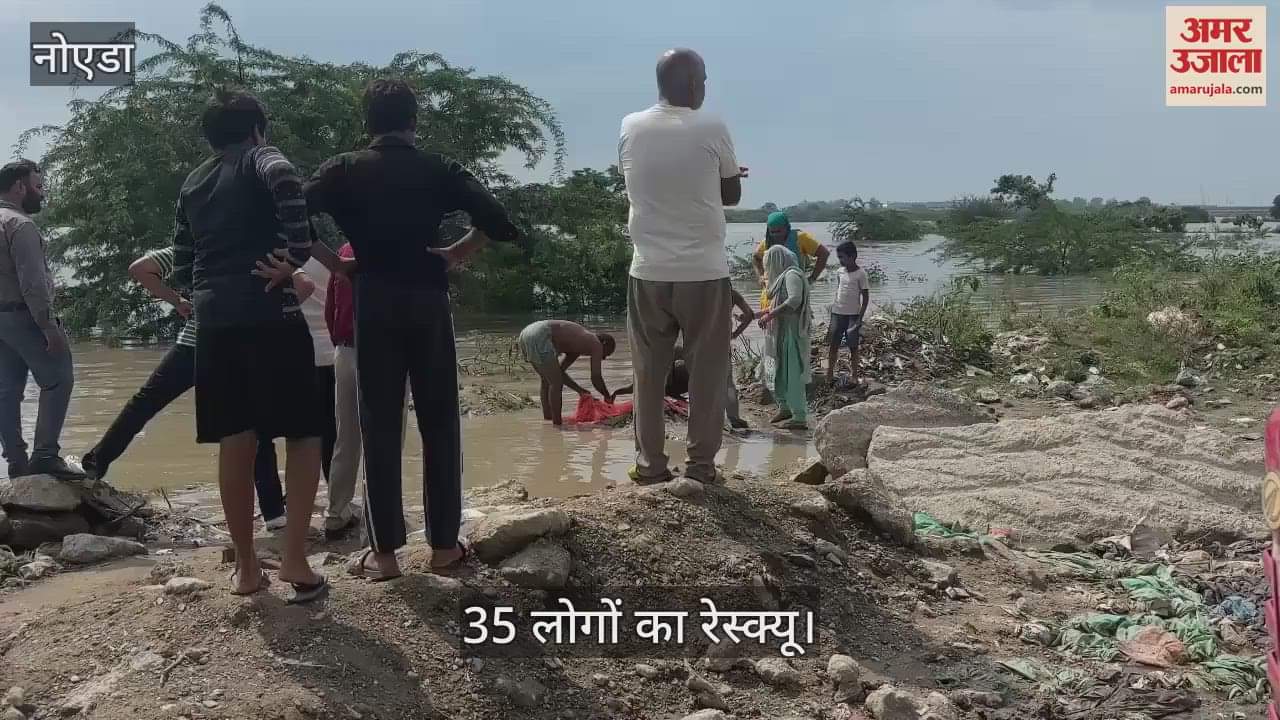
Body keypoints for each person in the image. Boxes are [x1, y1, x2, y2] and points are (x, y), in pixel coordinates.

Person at [287, 78, 522, 582]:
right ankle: (442, 547)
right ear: (414, 121)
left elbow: (288, 218)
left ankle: (386, 554)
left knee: (379, 423)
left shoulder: (344, 169)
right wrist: (456, 253)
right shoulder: (439, 169)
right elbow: (500, 223)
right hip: (429, 300)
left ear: (368, 123)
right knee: (439, 422)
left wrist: (336, 263)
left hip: (373, 300)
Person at [172, 90, 327, 602]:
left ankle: (245, 568)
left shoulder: (193, 181)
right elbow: (286, 179)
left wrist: (202, 294)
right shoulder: (262, 157)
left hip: (216, 322)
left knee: (236, 440)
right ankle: (295, 560)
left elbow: (181, 256)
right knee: (304, 434)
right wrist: (297, 257)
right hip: (271, 314)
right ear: (258, 128)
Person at [618, 48, 746, 485]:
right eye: (705, 80)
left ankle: (650, 466)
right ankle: (700, 468)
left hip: (647, 270)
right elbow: (730, 196)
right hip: (704, 271)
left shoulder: (630, 127)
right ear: (693, 84)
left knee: (647, 374)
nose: (706, 88)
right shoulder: (712, 125)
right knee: (707, 374)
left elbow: (648, 181)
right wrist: (723, 175)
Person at [0, 160, 83, 480]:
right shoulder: (20, 225)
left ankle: (16, 462)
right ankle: (45, 456)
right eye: (39, 185)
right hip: (23, 316)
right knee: (59, 378)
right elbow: (33, 283)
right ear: (20, 187)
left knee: (7, 390)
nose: (42, 193)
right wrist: (49, 328)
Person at [324, 241, 409, 541]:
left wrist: (341, 343)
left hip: (346, 350)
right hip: (388, 352)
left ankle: (336, 513)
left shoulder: (344, 252)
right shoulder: (399, 247)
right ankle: (383, 512)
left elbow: (330, 310)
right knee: (389, 435)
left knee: (346, 437)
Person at [252, 256, 341, 534]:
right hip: (328, 354)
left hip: (284, 354)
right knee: (326, 436)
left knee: (262, 435)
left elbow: (305, 285)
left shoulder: (268, 259)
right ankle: (336, 506)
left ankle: (274, 512)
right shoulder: (329, 259)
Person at [611, 287, 752, 430]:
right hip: (722, 342)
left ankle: (700, 419)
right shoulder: (730, 293)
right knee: (727, 383)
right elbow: (749, 315)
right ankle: (734, 419)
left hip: (699, 341)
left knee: (695, 375)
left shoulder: (698, 292)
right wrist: (734, 334)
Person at [517, 320, 615, 426]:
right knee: (556, 383)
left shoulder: (578, 344)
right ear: (604, 344)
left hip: (526, 333)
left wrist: (581, 391)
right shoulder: (596, 343)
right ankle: (557, 425)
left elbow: (559, 372)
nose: (603, 358)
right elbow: (596, 377)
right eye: (606, 354)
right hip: (541, 334)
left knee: (547, 379)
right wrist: (607, 396)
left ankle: (548, 419)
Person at [756, 245, 812, 430]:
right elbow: (775, 306)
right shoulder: (781, 279)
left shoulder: (791, 275)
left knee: (792, 372)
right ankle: (784, 407)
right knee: (776, 369)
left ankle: (799, 416)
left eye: (768, 264)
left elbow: (794, 301)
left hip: (791, 332)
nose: (767, 269)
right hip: (780, 332)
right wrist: (753, 315)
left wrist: (769, 316)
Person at [751, 211, 829, 310]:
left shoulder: (800, 238)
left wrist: (812, 278)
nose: (775, 235)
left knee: (793, 321)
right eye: (772, 232)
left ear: (787, 227)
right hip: (771, 292)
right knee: (769, 319)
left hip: (793, 290)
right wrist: (761, 276)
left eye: (779, 231)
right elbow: (756, 258)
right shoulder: (767, 242)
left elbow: (824, 253)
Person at [827, 240, 870, 386]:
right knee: (833, 344)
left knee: (853, 346)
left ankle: (854, 375)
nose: (840, 260)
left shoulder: (861, 274)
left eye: (843, 257)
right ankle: (829, 374)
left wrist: (859, 319)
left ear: (853, 256)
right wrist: (833, 308)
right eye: (839, 257)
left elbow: (865, 298)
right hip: (837, 313)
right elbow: (839, 290)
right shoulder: (839, 272)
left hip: (853, 315)